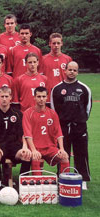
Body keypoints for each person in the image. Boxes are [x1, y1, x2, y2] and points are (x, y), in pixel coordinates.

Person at [51, 61, 92, 190]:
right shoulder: (57, 89)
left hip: (79, 126)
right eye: (70, 69)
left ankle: (83, 178)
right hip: (63, 127)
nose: (72, 72)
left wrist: (80, 119)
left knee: (81, 152)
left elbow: (88, 108)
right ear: (65, 70)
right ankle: (62, 176)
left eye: (75, 70)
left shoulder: (84, 88)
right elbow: (53, 110)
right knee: (63, 153)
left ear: (77, 72)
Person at [0, 87, 31, 195]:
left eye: (6, 96)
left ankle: (23, 186)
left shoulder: (18, 114)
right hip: (0, 145)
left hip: (14, 146)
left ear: (11, 98)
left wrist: (24, 147)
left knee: (26, 155)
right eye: (2, 96)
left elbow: (23, 133)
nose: (4, 99)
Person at [23, 86, 70, 175]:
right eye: (39, 96)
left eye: (44, 96)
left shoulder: (52, 113)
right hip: (36, 147)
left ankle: (63, 184)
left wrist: (62, 149)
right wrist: (33, 150)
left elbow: (59, 133)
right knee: (36, 157)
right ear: (34, 97)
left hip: (50, 148)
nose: (41, 99)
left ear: (47, 97)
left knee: (64, 157)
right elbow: (27, 134)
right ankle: (38, 185)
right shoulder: (28, 113)